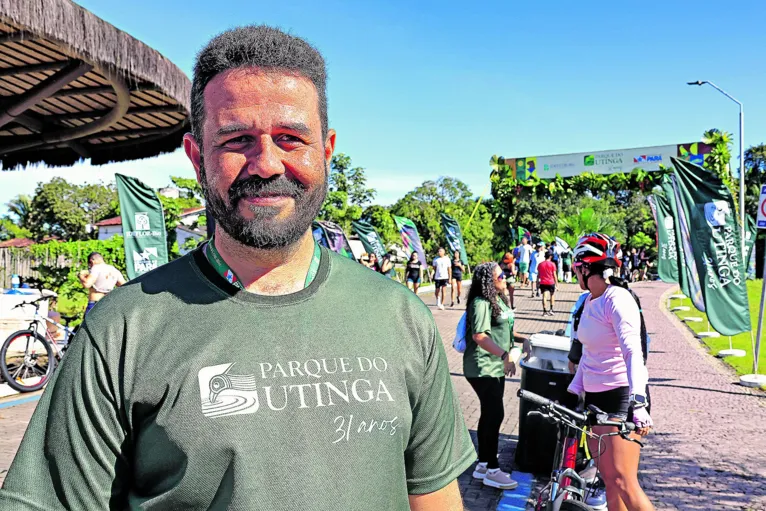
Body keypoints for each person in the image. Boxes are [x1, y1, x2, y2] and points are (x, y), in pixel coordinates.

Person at [0, 26, 476, 511]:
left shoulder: (400, 316)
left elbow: (433, 496)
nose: (266, 163)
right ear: (196, 157)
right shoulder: (123, 331)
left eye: (291, 138)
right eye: (237, 140)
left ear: (327, 150)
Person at [567, 233, 654, 511]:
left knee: (625, 481)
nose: (574, 274)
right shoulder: (588, 301)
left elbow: (633, 353)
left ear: (584, 267)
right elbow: (590, 354)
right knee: (610, 481)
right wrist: (574, 391)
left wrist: (638, 402)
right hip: (596, 397)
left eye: (576, 268)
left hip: (621, 397)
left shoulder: (618, 299)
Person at [463, 262, 522, 490]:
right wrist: (505, 354)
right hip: (482, 367)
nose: (505, 278)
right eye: (500, 275)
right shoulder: (481, 303)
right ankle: (493, 470)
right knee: (495, 413)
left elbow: (504, 330)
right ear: (489, 280)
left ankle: (483, 464)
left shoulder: (499, 300)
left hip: (496, 365)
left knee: (490, 413)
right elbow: (479, 336)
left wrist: (524, 340)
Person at [537, 251, 558, 316]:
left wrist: (537, 283)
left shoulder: (540, 264)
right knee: (552, 295)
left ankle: (544, 310)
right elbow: (554, 275)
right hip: (551, 282)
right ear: (550, 256)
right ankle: (551, 309)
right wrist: (557, 284)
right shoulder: (552, 264)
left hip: (543, 282)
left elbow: (538, 275)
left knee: (544, 296)